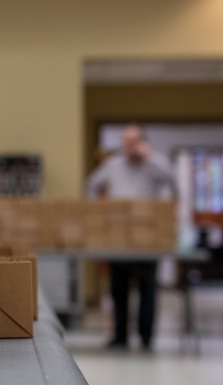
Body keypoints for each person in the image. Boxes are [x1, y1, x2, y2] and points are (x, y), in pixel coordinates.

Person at [86, 124, 176, 351]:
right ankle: (120, 336)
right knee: (119, 290)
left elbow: (172, 180)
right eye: (125, 142)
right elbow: (91, 185)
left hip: (148, 239)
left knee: (147, 291)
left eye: (134, 142)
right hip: (119, 238)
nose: (129, 147)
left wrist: (150, 157)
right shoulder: (113, 165)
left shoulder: (155, 163)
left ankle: (146, 338)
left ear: (143, 143)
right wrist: (100, 213)